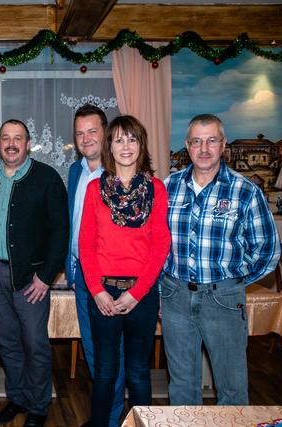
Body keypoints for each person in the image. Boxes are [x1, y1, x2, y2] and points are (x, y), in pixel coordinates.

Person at [161, 114, 281, 405]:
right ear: (187, 146)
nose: (204, 149)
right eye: (197, 141)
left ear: (223, 145)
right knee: (181, 386)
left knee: (231, 387)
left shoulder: (245, 191)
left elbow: (267, 251)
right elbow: (157, 245)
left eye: (212, 140)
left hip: (224, 300)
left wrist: (233, 281)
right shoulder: (168, 187)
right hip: (175, 297)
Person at [78, 115, 170, 427]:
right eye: (118, 139)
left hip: (141, 295)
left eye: (132, 139)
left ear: (141, 145)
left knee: (139, 373)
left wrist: (135, 293)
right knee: (105, 371)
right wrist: (98, 291)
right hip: (102, 293)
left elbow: (160, 247)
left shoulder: (156, 189)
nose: (126, 145)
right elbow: (86, 245)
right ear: (110, 147)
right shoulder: (94, 190)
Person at [0, 119, 69, 427]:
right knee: (7, 342)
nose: (12, 143)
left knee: (35, 343)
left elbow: (60, 232)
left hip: (30, 279)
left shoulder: (46, 178)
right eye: (6, 138)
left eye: (18, 138)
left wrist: (45, 276)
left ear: (28, 144)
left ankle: (39, 405)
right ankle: (16, 398)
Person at [65, 104, 125, 427]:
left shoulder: (121, 174)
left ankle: (111, 420)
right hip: (81, 276)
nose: (86, 138)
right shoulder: (75, 171)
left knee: (110, 356)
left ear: (106, 134)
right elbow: (73, 224)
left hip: (109, 280)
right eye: (79, 133)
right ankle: (103, 415)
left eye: (92, 131)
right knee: (92, 352)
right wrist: (71, 269)